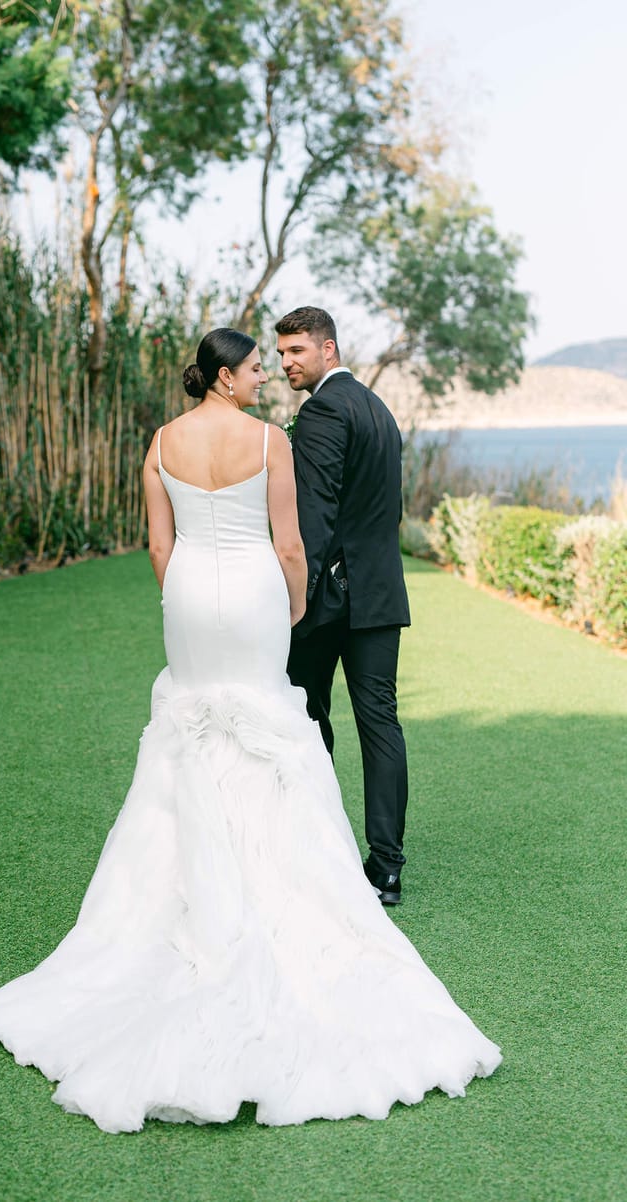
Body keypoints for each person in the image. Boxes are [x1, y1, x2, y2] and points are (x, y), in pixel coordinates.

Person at [0, 328, 500, 1133]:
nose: (265, 376)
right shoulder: (268, 442)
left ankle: (179, 891)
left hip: (188, 592)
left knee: (191, 727)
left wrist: (180, 593)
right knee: (264, 721)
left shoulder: (160, 443)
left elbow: (159, 543)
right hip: (254, 592)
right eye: (256, 366)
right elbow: (289, 546)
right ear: (225, 376)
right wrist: (293, 605)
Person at [276, 306, 411, 906]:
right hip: (381, 592)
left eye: (296, 351)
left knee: (308, 717)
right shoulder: (379, 409)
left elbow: (316, 513)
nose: (286, 363)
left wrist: (296, 600)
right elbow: (385, 509)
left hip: (330, 599)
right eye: (281, 354)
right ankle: (387, 868)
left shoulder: (323, 410)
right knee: (381, 725)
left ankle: (320, 849)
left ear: (327, 349)